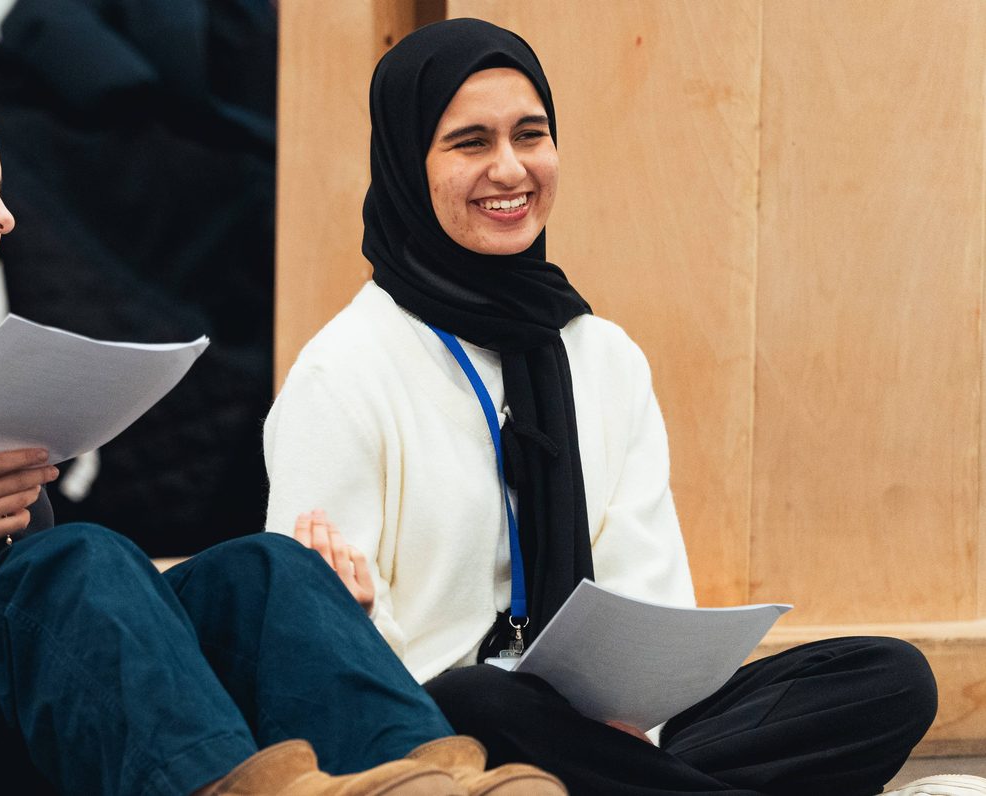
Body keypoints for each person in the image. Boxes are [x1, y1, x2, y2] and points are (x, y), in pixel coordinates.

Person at [0, 49, 564, 796]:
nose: (5, 213)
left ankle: (431, 779)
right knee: (75, 557)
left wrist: (308, 618)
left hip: (5, 712)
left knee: (265, 571)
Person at [264, 18, 938, 796]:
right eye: (470, 143)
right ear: (408, 165)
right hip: (437, 740)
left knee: (888, 677)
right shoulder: (344, 371)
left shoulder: (600, 354)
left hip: (606, 738)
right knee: (476, 695)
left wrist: (631, 707)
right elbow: (310, 656)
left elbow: (649, 595)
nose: (511, 169)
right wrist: (354, 608)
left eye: (531, 134)